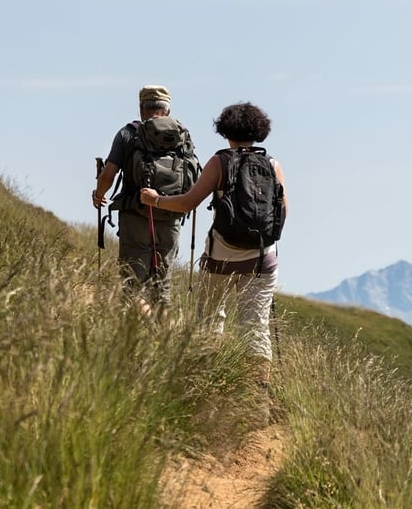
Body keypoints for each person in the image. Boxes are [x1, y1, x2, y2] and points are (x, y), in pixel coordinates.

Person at [139, 102, 287, 390]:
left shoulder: (220, 162)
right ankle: (258, 394)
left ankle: (207, 382)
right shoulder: (272, 165)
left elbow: (187, 203)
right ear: (259, 131)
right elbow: (283, 211)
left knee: (207, 319)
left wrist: (154, 199)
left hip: (220, 257)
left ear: (226, 129)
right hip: (263, 259)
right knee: (256, 326)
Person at [93, 85, 196, 317]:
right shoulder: (182, 135)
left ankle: (137, 337)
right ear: (167, 111)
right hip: (171, 219)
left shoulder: (128, 133)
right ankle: (168, 340)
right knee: (163, 289)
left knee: (132, 286)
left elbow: (108, 175)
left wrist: (99, 195)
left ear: (141, 109)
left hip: (136, 217)